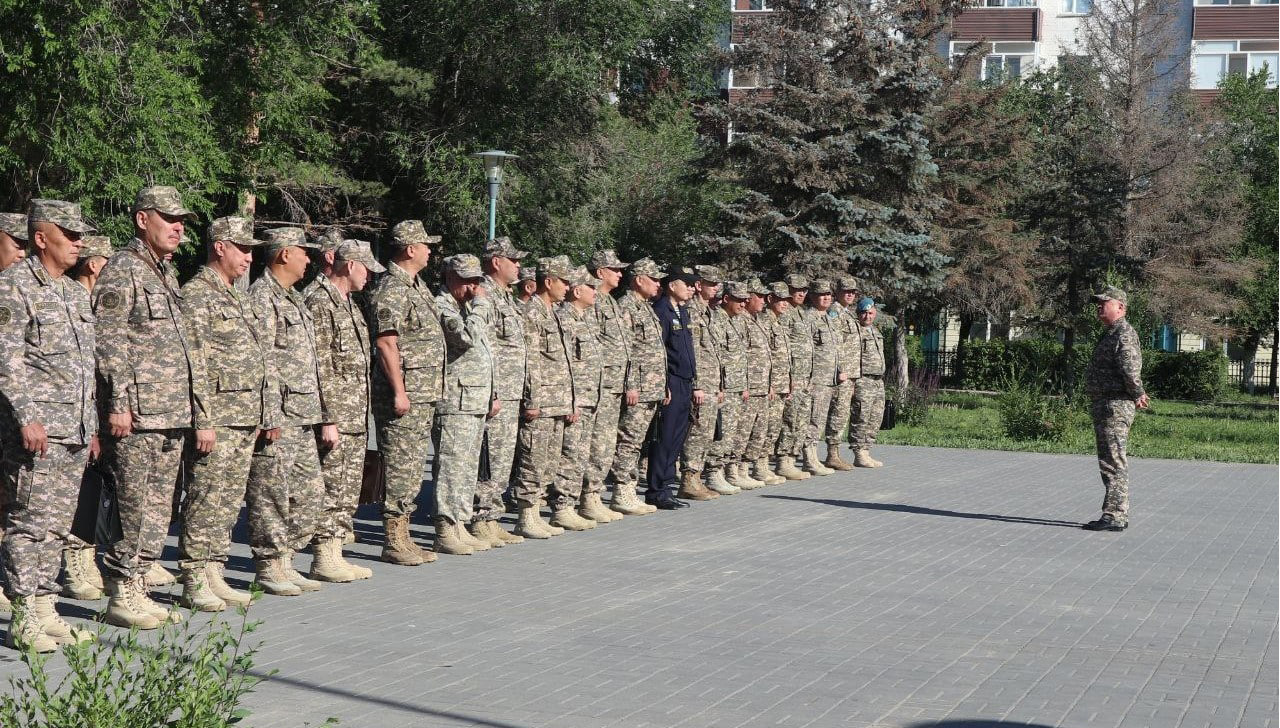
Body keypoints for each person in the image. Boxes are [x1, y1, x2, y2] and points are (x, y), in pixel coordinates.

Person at [93, 185, 197, 627]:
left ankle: (139, 583)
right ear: (142, 219)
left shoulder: (164, 272)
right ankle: (120, 591)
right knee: (132, 506)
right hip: (136, 415)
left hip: (169, 411)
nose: (178, 228)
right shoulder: (123, 269)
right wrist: (117, 403)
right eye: (169, 219)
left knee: (158, 507)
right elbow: (108, 341)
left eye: (181, 221)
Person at [0, 200, 98, 650]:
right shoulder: (13, 286)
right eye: (69, 235)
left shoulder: (74, 292)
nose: (78, 242)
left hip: (73, 429)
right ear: (41, 238)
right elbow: (7, 360)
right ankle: (23, 616)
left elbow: (83, 365)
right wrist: (27, 416)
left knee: (57, 524)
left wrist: (90, 424)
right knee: (28, 523)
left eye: (80, 235)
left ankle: (44, 607)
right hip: (37, 430)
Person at [177, 216, 271, 610]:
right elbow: (194, 363)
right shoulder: (197, 295)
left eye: (251, 251)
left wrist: (263, 412)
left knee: (229, 499)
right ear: (220, 247)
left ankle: (215, 568)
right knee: (205, 497)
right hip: (217, 417)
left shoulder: (236, 295)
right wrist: (204, 420)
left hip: (243, 415)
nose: (249, 258)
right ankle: (194, 575)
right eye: (242, 249)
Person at [245, 228, 327, 595]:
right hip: (279, 415)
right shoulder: (262, 297)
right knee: (271, 493)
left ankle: (287, 558)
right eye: (303, 252)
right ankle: (269, 564)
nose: (309, 259)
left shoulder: (292, 298)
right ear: (284, 254)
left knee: (310, 493)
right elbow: (261, 361)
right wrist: (268, 414)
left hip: (302, 414)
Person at [305, 239, 383, 580]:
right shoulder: (319, 301)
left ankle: (335, 553)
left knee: (346, 489)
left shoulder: (348, 303)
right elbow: (318, 365)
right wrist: (328, 418)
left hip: (354, 416)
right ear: (350, 265)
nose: (370, 276)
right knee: (331, 487)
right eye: (366, 269)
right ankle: (323, 556)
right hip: (336, 416)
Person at [368, 220, 444, 566]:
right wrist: (399, 391)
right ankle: (393, 540)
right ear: (410, 249)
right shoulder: (391, 288)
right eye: (426, 245)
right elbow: (387, 342)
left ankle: (406, 535)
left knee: (412, 468)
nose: (430, 250)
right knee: (399, 466)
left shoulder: (416, 285)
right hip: (404, 394)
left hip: (423, 392)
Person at [431, 254, 499, 554]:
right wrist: (481, 305)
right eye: (467, 280)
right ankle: (445, 528)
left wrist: (492, 393)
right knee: (451, 465)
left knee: (468, 468)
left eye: (476, 281)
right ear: (450, 278)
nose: (473, 287)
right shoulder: (442, 305)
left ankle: (459, 522)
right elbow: (465, 337)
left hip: (474, 399)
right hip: (455, 400)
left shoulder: (466, 307)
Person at [515, 255, 587, 536]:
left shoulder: (554, 312)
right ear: (548, 282)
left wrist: (571, 400)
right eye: (564, 281)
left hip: (558, 400)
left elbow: (565, 362)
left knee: (549, 461)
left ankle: (537, 512)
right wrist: (532, 400)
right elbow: (531, 360)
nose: (568, 287)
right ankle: (526, 515)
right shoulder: (531, 312)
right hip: (542, 401)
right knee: (533, 459)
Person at [58, 234, 113, 602]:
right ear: (94, 264)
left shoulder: (92, 301)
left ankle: (87, 558)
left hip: (95, 410)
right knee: (79, 490)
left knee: (93, 487)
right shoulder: (73, 298)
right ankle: (74, 564)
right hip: (72, 411)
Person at [469, 237, 528, 546]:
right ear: (496, 262)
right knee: (489, 457)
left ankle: (492, 517)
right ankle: (480, 518)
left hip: (511, 391)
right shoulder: (485, 294)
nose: (518, 266)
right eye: (513, 260)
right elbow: (484, 347)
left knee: (503, 459)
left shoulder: (506, 296)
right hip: (497, 392)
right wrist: (492, 392)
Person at [1082, 286, 1148, 532]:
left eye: (1104, 302)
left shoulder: (1123, 333)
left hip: (1116, 405)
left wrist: (1138, 392)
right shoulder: (1111, 332)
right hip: (1106, 403)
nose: (1099, 307)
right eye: (1098, 303)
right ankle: (1113, 513)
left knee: (1113, 459)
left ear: (1120, 307)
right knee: (1109, 459)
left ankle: (1116, 515)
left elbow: (1130, 367)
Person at [588, 250, 648, 517]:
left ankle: (596, 497)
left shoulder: (610, 302)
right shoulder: (593, 301)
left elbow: (626, 349)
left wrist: (629, 382)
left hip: (616, 386)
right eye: (615, 270)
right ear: (600, 272)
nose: (620, 274)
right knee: (598, 444)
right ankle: (589, 497)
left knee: (608, 442)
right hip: (602, 386)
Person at [556, 266, 618, 524]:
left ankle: (585, 500)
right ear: (577, 291)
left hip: (593, 397)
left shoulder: (586, 318)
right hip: (577, 398)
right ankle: (563, 507)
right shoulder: (564, 318)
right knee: (570, 454)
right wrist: (571, 399)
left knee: (586, 453)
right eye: (590, 287)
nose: (595, 291)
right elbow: (564, 364)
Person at [609, 258, 666, 514]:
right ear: (640, 279)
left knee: (638, 441)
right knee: (628, 440)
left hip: (651, 386)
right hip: (638, 388)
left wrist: (663, 384)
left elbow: (655, 351)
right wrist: (630, 384)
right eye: (654, 279)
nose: (658, 284)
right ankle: (622, 490)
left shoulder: (646, 307)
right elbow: (626, 350)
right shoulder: (627, 306)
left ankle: (629, 488)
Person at [645, 267, 697, 509]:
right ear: (672, 286)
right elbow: (660, 352)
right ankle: (657, 491)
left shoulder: (682, 312)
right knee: (664, 438)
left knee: (676, 438)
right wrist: (663, 383)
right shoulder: (661, 310)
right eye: (686, 284)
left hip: (685, 381)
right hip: (671, 381)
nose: (691, 288)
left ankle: (666, 487)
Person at [707, 280, 762, 490]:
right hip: (725, 387)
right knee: (722, 434)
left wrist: (745, 385)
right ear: (726, 299)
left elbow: (742, 357)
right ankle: (714, 473)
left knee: (733, 433)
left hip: (737, 386)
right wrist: (719, 387)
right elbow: (716, 357)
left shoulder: (737, 321)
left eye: (745, 300)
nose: (743, 304)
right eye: (738, 300)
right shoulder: (717, 320)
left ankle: (727, 471)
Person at [678, 265, 726, 499]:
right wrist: (696, 384)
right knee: (697, 432)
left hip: (711, 382)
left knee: (707, 432)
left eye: (717, 284)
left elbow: (714, 352)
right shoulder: (691, 311)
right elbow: (692, 351)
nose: (716, 288)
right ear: (698, 285)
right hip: (701, 384)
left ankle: (697, 477)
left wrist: (719, 385)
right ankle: (688, 480)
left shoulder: (709, 311)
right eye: (711, 284)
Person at [742, 279, 784, 485]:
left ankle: (755, 467)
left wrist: (770, 383)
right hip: (749, 386)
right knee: (743, 431)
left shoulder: (757, 320)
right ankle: (737, 470)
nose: (763, 300)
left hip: (763, 385)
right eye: (758, 296)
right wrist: (745, 385)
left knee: (761, 431)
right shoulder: (742, 321)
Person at [764, 282, 806, 480]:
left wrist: (789, 380)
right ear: (770, 299)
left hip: (783, 382)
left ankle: (781, 463)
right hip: (770, 384)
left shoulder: (779, 322)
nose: (784, 303)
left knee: (779, 425)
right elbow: (763, 357)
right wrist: (770, 383)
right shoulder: (765, 321)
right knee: (768, 426)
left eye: (786, 300)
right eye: (780, 300)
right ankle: (762, 466)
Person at [803, 280, 842, 476]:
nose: (826, 298)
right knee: (813, 419)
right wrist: (808, 378)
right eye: (821, 294)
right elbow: (806, 350)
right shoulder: (809, 318)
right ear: (812, 297)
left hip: (829, 379)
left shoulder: (828, 318)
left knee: (820, 419)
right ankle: (809, 458)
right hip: (816, 379)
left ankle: (814, 456)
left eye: (829, 294)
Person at [778, 274, 815, 480]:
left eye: (804, 290)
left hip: (805, 377)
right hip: (793, 377)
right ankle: (783, 461)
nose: (801, 293)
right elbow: (783, 349)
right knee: (790, 420)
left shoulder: (802, 313)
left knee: (801, 420)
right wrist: (788, 377)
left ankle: (792, 459)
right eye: (797, 289)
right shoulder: (786, 314)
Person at [825, 276, 862, 471]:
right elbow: (835, 343)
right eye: (846, 291)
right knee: (838, 413)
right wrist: (841, 369)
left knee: (843, 413)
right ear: (837, 292)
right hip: (842, 374)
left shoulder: (847, 313)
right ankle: (832, 454)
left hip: (850, 375)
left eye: (852, 292)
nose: (850, 294)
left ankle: (835, 454)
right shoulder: (835, 312)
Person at [850, 297, 886, 468]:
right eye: (864, 313)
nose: (867, 316)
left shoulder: (876, 331)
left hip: (878, 381)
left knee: (875, 418)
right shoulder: (855, 332)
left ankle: (866, 451)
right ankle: (858, 453)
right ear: (858, 314)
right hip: (863, 380)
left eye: (870, 313)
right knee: (861, 417)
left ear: (875, 314)